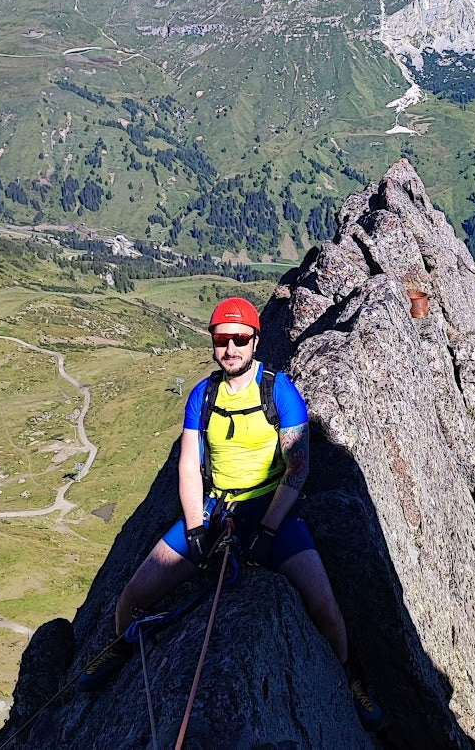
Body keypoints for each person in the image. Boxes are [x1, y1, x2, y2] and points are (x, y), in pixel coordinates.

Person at [79, 296, 381, 728]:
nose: (231, 349)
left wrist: (269, 531)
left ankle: (349, 675)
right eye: (223, 339)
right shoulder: (203, 396)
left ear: (256, 341)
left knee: (326, 608)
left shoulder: (280, 392)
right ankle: (124, 644)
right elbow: (188, 464)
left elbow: (297, 470)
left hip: (269, 507)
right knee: (131, 596)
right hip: (215, 508)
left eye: (240, 339)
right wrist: (198, 527)